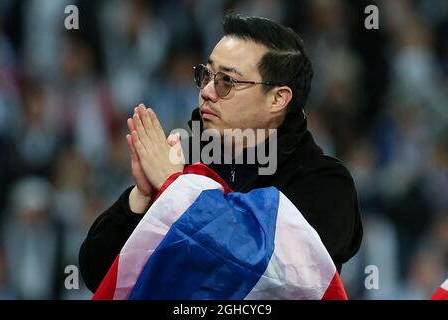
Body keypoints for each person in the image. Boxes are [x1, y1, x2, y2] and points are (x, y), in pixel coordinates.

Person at [79, 15, 363, 294]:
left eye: (227, 80)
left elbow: (269, 274)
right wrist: (140, 197)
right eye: (207, 75)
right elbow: (98, 275)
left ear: (278, 99)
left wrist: (175, 189)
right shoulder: (182, 159)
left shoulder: (326, 184)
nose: (206, 91)